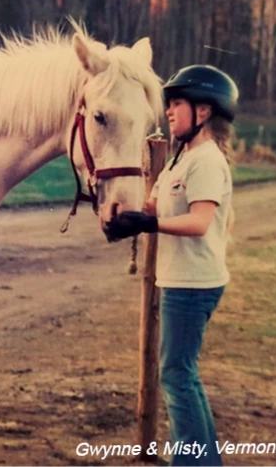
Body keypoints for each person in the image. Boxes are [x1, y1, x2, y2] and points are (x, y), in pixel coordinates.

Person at [105, 64, 238, 467]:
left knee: (177, 377)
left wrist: (150, 223)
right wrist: (128, 219)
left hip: (194, 284)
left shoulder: (207, 162)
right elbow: (152, 205)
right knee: (182, 373)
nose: (170, 111)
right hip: (182, 281)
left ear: (203, 112)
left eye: (177, 103)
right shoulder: (179, 161)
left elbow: (198, 222)